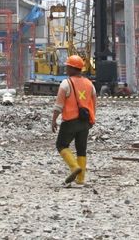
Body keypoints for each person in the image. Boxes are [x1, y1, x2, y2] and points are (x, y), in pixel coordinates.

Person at [51, 54, 96, 184]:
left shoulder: (66, 83)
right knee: (81, 149)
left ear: (72, 68)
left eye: (67, 67)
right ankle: (81, 179)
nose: (66, 69)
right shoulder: (89, 84)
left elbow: (59, 105)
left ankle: (74, 167)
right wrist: (92, 119)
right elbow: (93, 103)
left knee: (61, 145)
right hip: (85, 122)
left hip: (70, 122)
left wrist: (54, 120)